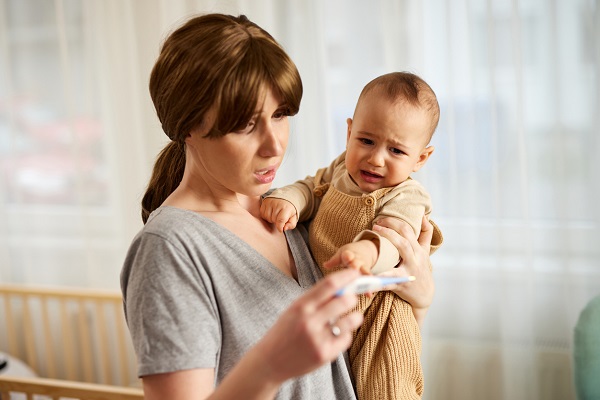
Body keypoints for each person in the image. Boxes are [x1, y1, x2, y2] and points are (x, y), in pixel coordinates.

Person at [120, 13, 436, 400]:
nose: (275, 146)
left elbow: (360, 355)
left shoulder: (289, 211)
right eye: (246, 125)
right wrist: (270, 365)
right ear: (189, 125)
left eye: (281, 114)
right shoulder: (169, 249)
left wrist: (417, 300)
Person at [260, 72, 443, 399]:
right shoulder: (341, 169)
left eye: (397, 151)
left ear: (421, 158)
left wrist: (367, 252)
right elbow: (311, 189)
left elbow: (392, 241)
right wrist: (289, 200)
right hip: (342, 310)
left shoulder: (408, 196)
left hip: (382, 318)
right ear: (349, 132)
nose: (376, 158)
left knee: (385, 387)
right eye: (367, 141)